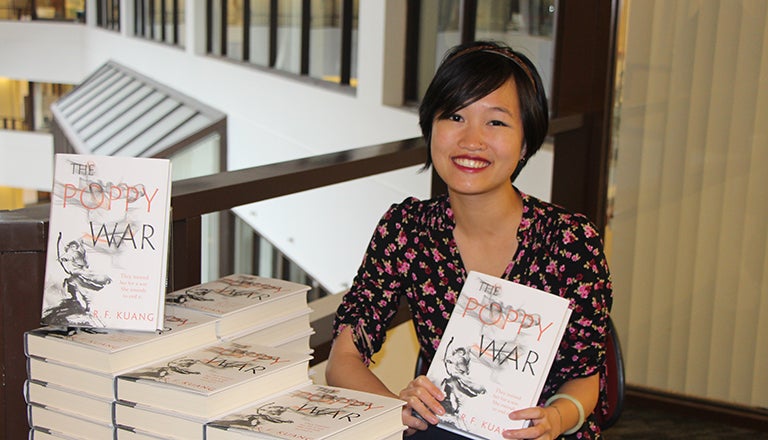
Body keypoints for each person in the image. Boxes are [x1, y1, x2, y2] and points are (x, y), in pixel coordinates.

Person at [325, 40, 613, 439]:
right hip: (447, 428)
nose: (471, 140)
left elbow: (586, 378)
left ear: (526, 141)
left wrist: (557, 419)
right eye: (455, 116)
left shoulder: (570, 241)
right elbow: (343, 357)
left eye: (496, 122)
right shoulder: (407, 230)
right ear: (431, 129)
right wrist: (398, 407)